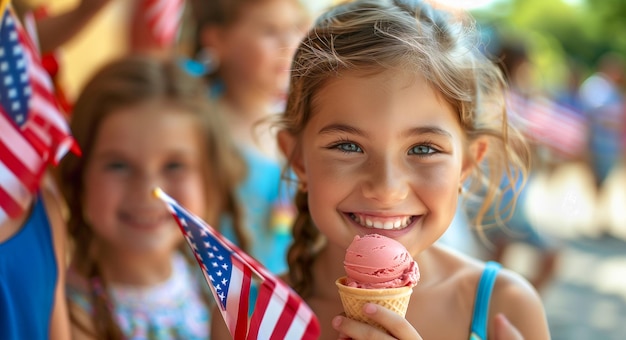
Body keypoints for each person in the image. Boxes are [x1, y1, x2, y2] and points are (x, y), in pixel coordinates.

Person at [220, 0, 550, 338]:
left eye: (423, 149)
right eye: (348, 146)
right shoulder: (250, 316)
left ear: (467, 163)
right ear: (298, 159)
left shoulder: (506, 307)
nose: (386, 187)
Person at [57, 55, 248, 339]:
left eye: (174, 165)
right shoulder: (66, 316)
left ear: (211, 176)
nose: (149, 190)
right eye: (119, 165)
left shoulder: (218, 288)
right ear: (79, 175)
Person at [186, 0, 308, 275]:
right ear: (217, 39)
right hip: (221, 299)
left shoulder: (295, 118)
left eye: (294, 28)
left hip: (281, 295)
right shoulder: (198, 127)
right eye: (270, 31)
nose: (289, 43)